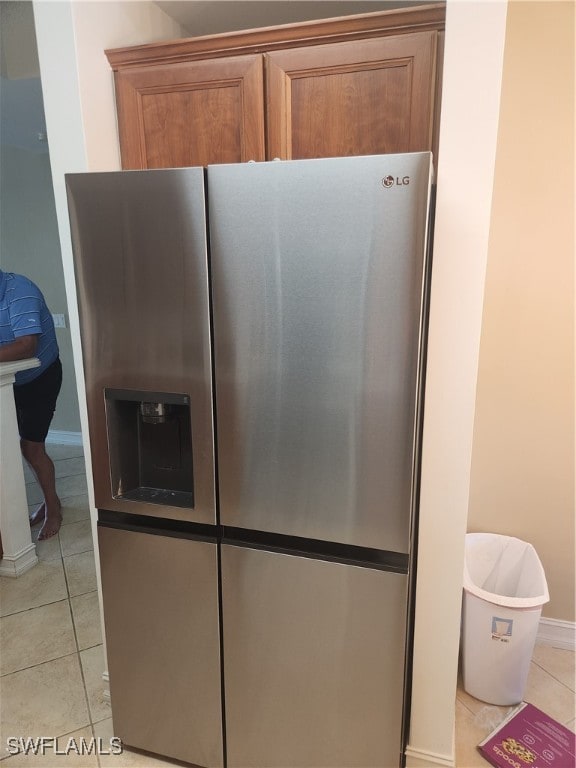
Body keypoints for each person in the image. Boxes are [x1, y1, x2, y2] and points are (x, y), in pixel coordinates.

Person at [0, 270, 62, 540]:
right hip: (7, 380)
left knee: (32, 449)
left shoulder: (19, 290)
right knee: (12, 448)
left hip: (40, 378)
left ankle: (53, 508)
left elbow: (27, 346)